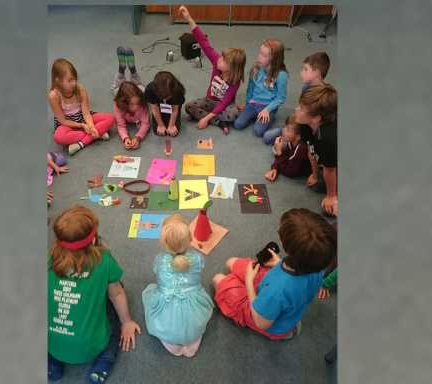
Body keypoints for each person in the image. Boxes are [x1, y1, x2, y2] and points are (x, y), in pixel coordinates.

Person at [47, 206, 141, 384]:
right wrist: (127, 322)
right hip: (90, 347)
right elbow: (117, 293)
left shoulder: (48, 259)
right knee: (116, 305)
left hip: (51, 345)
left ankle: (52, 364)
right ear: (92, 240)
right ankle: (104, 360)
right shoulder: (103, 260)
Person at [212, 208, 336, 339]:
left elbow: (261, 323)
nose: (278, 230)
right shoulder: (317, 265)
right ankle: (288, 324)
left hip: (267, 318)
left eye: (280, 231)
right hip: (280, 294)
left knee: (217, 279)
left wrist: (249, 282)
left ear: (286, 246)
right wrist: (279, 263)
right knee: (231, 262)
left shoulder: (278, 290)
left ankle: (286, 333)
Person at [142, 214, 214, 357]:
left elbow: (156, 273)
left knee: (150, 291)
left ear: (164, 243)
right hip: (194, 309)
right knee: (194, 320)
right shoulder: (198, 258)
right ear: (190, 239)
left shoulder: (160, 260)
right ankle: (191, 340)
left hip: (167, 311)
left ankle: (172, 342)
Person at [179, 5, 246, 135]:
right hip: (209, 100)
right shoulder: (216, 61)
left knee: (233, 114)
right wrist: (189, 19)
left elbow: (224, 102)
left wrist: (205, 118)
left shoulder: (235, 81)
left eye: (224, 60)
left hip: (225, 105)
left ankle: (205, 116)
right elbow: (203, 42)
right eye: (221, 57)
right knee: (188, 106)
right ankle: (219, 122)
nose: (219, 59)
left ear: (232, 68)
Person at [48, 58, 114, 155]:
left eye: (75, 79)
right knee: (58, 137)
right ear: (58, 81)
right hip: (67, 124)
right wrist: (82, 126)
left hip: (83, 117)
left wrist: (91, 126)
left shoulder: (80, 89)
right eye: (70, 80)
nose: (74, 83)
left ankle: (81, 143)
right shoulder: (53, 95)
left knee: (110, 118)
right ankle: (98, 134)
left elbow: (86, 113)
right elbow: (62, 120)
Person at [264, 51, 331, 143]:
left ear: (317, 72)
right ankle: (288, 133)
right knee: (267, 137)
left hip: (309, 128)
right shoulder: (306, 87)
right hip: (301, 122)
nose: (301, 73)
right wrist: (291, 125)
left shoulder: (323, 96)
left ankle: (292, 139)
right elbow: (300, 109)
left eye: (305, 69)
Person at [295, 84, 338, 216]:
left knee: (330, 210)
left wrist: (331, 196)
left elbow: (330, 169)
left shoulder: (328, 138)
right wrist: (314, 175)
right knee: (316, 185)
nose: (296, 109)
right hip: (326, 153)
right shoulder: (305, 124)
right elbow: (311, 149)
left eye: (301, 108)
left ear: (316, 118)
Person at [233, 38, 288, 142]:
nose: (259, 57)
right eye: (260, 53)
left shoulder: (281, 75)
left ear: (274, 59)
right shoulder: (256, 69)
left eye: (264, 55)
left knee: (258, 131)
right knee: (238, 124)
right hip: (253, 103)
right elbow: (250, 88)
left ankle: (269, 117)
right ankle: (255, 116)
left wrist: (267, 110)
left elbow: (281, 97)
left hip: (268, 107)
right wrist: (247, 103)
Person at [264, 114, 310, 182]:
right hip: (293, 161)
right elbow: (285, 156)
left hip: (314, 170)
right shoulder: (291, 141)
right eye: (285, 127)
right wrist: (275, 168)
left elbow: (290, 172)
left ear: (298, 137)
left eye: (288, 130)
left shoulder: (301, 148)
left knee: (279, 149)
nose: (283, 130)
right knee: (281, 148)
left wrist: (279, 153)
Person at [145, 71, 186, 137]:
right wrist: (160, 125)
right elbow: (155, 108)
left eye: (167, 97)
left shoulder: (178, 90)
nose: (165, 99)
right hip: (158, 105)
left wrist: (171, 125)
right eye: (163, 97)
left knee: (174, 131)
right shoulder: (150, 90)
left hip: (173, 105)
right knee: (157, 130)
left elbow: (175, 110)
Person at [113, 81, 150, 150]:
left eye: (137, 103)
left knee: (143, 90)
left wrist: (138, 138)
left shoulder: (142, 102)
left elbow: (146, 123)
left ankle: (139, 84)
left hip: (141, 92)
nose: (136, 107)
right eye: (132, 104)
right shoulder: (118, 106)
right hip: (127, 115)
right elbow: (120, 125)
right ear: (124, 103)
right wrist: (125, 138)